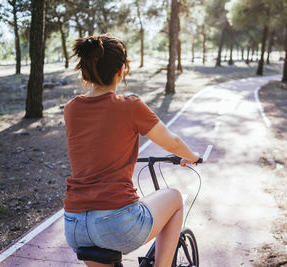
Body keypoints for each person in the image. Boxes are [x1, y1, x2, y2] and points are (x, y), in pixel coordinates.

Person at [63, 34, 200, 267]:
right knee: (175, 198)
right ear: (121, 70)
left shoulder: (70, 109)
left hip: (75, 225)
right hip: (116, 223)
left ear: (84, 70)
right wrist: (192, 157)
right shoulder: (130, 107)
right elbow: (172, 141)